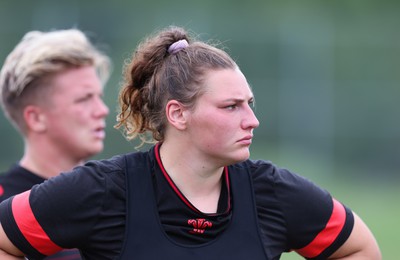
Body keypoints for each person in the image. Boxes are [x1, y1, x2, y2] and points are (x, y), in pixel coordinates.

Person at [0, 25, 381, 260]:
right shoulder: (104, 191)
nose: (252, 120)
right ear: (177, 114)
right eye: (231, 106)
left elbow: (360, 248)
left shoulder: (271, 192)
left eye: (250, 104)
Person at [0, 28, 111, 259]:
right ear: (36, 118)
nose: (102, 110)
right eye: (84, 99)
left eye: (99, 97)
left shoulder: (115, 193)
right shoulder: (4, 204)